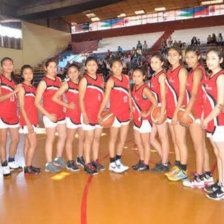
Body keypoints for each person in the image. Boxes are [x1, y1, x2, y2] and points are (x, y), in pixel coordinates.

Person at [180, 46, 213, 188]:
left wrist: (186, 112)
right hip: (197, 111)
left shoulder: (198, 71)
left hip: (197, 113)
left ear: (198, 57)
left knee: (198, 147)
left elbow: (194, 95)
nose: (189, 60)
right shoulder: (193, 71)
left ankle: (199, 177)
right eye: (187, 57)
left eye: (192, 57)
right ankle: (207, 175)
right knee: (202, 146)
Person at [98, 59, 131, 173]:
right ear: (111, 69)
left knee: (122, 139)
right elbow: (105, 98)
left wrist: (131, 109)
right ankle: (112, 163)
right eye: (114, 67)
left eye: (119, 66)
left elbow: (129, 94)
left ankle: (118, 160)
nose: (117, 69)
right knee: (113, 139)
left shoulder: (126, 78)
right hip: (115, 114)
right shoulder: (111, 81)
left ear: (123, 67)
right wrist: (99, 113)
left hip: (125, 113)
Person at [35, 58, 67, 173]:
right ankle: (49, 163)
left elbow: (60, 95)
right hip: (50, 115)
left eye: (55, 66)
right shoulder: (43, 82)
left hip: (60, 113)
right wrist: (48, 115)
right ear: (46, 68)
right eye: (51, 67)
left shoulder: (58, 79)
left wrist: (64, 106)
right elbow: (37, 102)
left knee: (63, 136)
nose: (53, 69)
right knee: (50, 138)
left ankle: (58, 158)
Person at [52, 64, 84, 172]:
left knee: (81, 138)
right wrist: (67, 105)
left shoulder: (82, 83)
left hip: (82, 114)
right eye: (70, 72)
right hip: (72, 115)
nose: (73, 74)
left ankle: (80, 158)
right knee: (70, 139)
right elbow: (55, 97)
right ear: (68, 74)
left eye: (75, 71)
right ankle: (70, 161)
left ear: (78, 72)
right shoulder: (66, 85)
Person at [202, 47, 224, 200]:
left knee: (222, 155)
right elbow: (207, 101)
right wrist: (205, 116)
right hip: (211, 121)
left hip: (219, 121)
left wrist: (207, 119)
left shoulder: (221, 77)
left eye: (214, 58)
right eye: (208, 58)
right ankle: (221, 182)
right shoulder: (210, 76)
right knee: (217, 154)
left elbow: (220, 104)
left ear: (221, 60)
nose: (209, 61)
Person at [165, 47, 189, 182]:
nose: (172, 57)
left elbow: (182, 94)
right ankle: (178, 165)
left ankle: (183, 170)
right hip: (170, 110)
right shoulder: (169, 71)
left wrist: (175, 113)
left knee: (180, 141)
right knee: (175, 140)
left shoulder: (182, 71)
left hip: (178, 111)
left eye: (175, 55)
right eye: (170, 55)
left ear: (180, 57)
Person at [79, 57, 104, 175]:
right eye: (89, 65)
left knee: (97, 138)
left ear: (97, 66)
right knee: (88, 139)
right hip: (88, 113)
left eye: (94, 65)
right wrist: (84, 114)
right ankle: (87, 163)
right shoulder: (84, 80)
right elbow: (80, 99)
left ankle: (95, 160)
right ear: (85, 67)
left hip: (98, 113)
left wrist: (104, 111)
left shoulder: (100, 78)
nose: (92, 67)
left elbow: (102, 96)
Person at [131, 68, 157, 171]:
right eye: (134, 76)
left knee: (145, 143)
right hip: (137, 119)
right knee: (138, 142)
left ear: (143, 77)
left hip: (145, 120)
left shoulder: (145, 89)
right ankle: (141, 161)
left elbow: (154, 103)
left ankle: (146, 164)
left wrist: (147, 112)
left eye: (138, 76)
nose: (136, 78)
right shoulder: (134, 87)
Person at [0, 57, 22, 177]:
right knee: (2, 141)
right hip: (1, 114)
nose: (8, 66)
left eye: (10, 64)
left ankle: (11, 161)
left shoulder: (14, 81)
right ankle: (4, 166)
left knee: (15, 139)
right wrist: (14, 92)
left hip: (13, 114)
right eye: (5, 64)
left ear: (13, 66)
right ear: (1, 67)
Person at [149, 53, 170, 172]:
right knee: (152, 139)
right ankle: (164, 159)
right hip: (156, 108)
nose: (153, 64)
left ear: (162, 63)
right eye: (152, 62)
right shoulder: (153, 76)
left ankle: (165, 163)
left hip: (161, 108)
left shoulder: (162, 76)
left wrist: (162, 112)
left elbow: (163, 95)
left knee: (163, 137)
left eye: (156, 62)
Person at [18, 65, 40, 175]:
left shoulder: (33, 88)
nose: (28, 75)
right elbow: (21, 107)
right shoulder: (22, 87)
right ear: (22, 75)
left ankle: (27, 166)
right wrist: (28, 123)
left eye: (30, 73)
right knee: (33, 144)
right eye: (26, 73)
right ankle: (28, 167)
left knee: (27, 144)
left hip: (33, 118)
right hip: (27, 120)